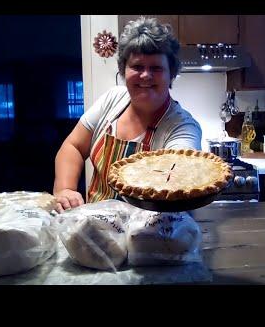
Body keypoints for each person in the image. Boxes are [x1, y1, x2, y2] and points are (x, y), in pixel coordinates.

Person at [53, 17, 202, 212]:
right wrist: (65, 190)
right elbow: (73, 147)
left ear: (171, 74)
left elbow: (178, 172)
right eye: (137, 67)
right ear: (123, 70)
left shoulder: (182, 127)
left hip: (150, 235)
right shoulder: (112, 100)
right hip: (94, 229)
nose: (146, 75)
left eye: (156, 68)